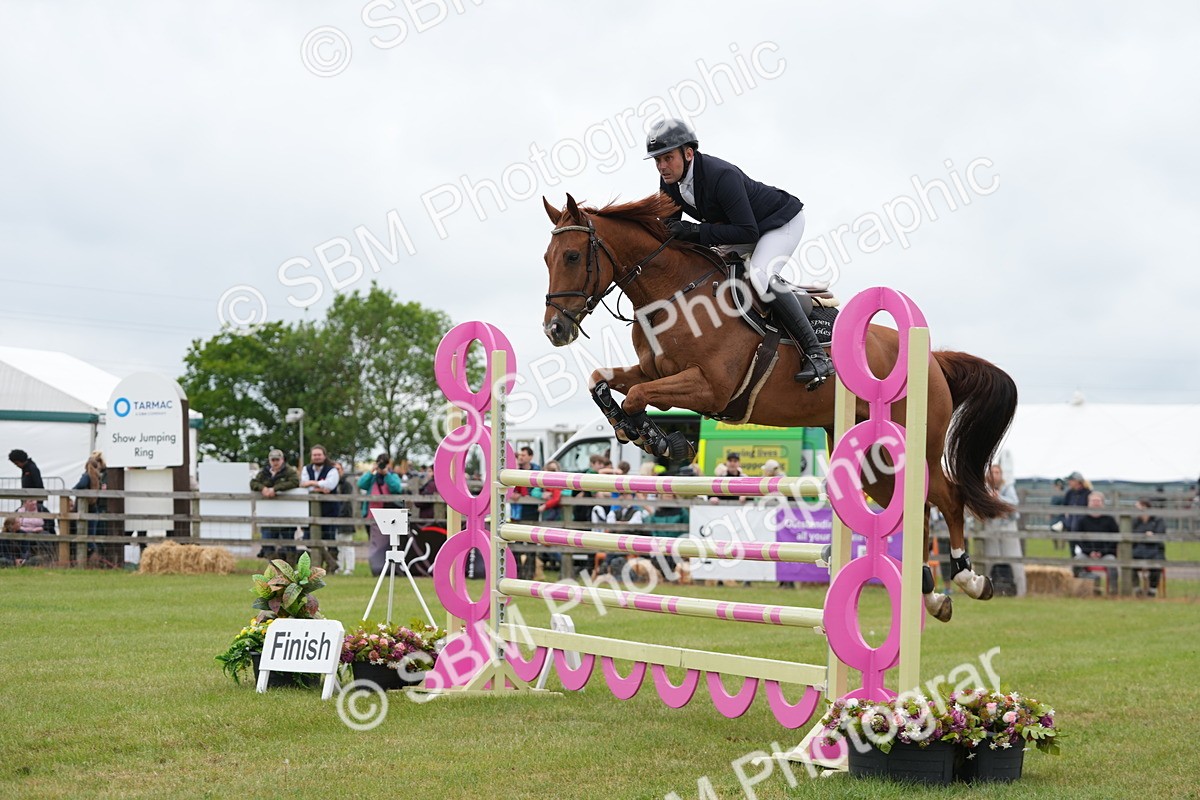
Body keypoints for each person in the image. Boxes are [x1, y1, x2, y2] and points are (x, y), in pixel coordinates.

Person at [647, 118, 833, 388]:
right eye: (657, 160)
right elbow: (672, 232)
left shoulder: (721, 175)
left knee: (759, 275)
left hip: (778, 223)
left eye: (667, 158)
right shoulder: (670, 183)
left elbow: (748, 232)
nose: (662, 166)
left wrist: (698, 232)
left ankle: (816, 354)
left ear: (688, 153)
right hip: (741, 229)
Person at [979, 464, 1026, 597]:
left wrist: (998, 498)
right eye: (992, 472)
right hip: (991, 525)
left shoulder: (1008, 488)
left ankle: (1021, 592)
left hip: (1007, 525)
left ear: (1001, 474)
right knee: (989, 559)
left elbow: (1014, 503)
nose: (995, 475)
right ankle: (984, 591)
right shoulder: (984, 489)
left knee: (1014, 559)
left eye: (997, 472)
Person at [250, 449, 300, 562]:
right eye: (273, 460)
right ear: (269, 460)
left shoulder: (289, 471)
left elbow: (295, 482)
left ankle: (291, 569)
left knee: (289, 543)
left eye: (277, 459)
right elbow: (253, 483)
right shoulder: (264, 472)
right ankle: (276, 567)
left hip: (287, 514)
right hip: (268, 514)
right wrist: (262, 488)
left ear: (282, 460)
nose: (275, 462)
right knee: (266, 542)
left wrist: (275, 489)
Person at [359, 453, 404, 577]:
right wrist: (371, 471)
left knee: (389, 544)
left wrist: (386, 474)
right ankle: (376, 567)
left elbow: (396, 488)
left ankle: (389, 569)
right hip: (371, 516)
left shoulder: (393, 476)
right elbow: (361, 484)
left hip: (388, 517)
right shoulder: (372, 478)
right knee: (374, 543)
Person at [300, 445, 340, 569]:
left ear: (324, 456)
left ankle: (330, 567)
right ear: (311, 457)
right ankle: (328, 564)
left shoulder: (332, 470)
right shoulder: (306, 469)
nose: (317, 457)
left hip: (329, 510)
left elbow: (331, 485)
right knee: (309, 538)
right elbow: (303, 484)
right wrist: (319, 487)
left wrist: (312, 483)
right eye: (314, 455)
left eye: (319, 455)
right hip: (310, 510)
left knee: (329, 538)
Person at [1071, 491, 1118, 593]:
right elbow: (1078, 539)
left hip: (1106, 554)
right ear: (1088, 503)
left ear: (1102, 503)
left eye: (1098, 501)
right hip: (1086, 553)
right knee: (1076, 562)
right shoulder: (1082, 520)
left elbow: (1115, 540)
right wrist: (1089, 552)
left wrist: (1103, 552)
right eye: (1093, 501)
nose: (1095, 503)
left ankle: (1114, 591)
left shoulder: (1110, 520)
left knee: (1113, 563)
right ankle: (1085, 587)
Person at [71, 451, 110, 565]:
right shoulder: (98, 477)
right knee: (91, 536)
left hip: (86, 509)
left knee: (85, 536)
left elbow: (81, 485)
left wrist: (73, 489)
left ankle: (86, 560)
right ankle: (95, 560)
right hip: (94, 509)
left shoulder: (86, 476)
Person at [1132, 499, 1166, 597]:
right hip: (1138, 551)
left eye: (1138, 508)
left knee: (1157, 564)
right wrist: (1144, 535)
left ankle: (1152, 590)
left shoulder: (1158, 520)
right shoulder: (1134, 522)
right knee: (1128, 563)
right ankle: (1137, 589)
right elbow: (1132, 536)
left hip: (1155, 550)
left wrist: (1152, 536)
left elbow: (1160, 535)